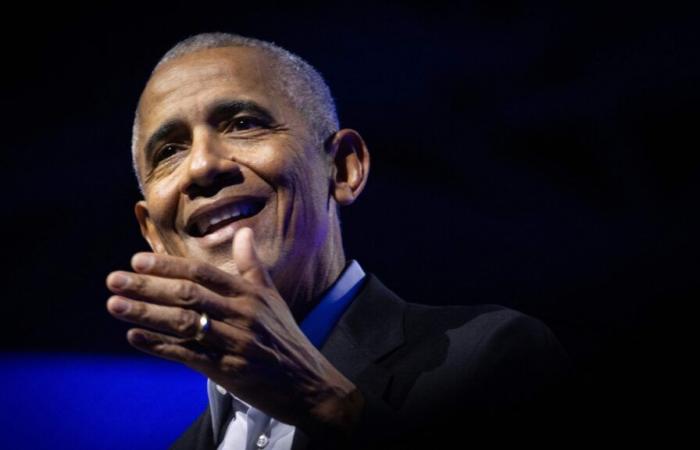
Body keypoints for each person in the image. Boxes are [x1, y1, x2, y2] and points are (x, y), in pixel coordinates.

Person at [106, 33, 572, 450]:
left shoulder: (492, 359)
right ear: (153, 232)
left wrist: (329, 405)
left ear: (344, 168)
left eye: (243, 123)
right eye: (169, 152)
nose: (202, 166)